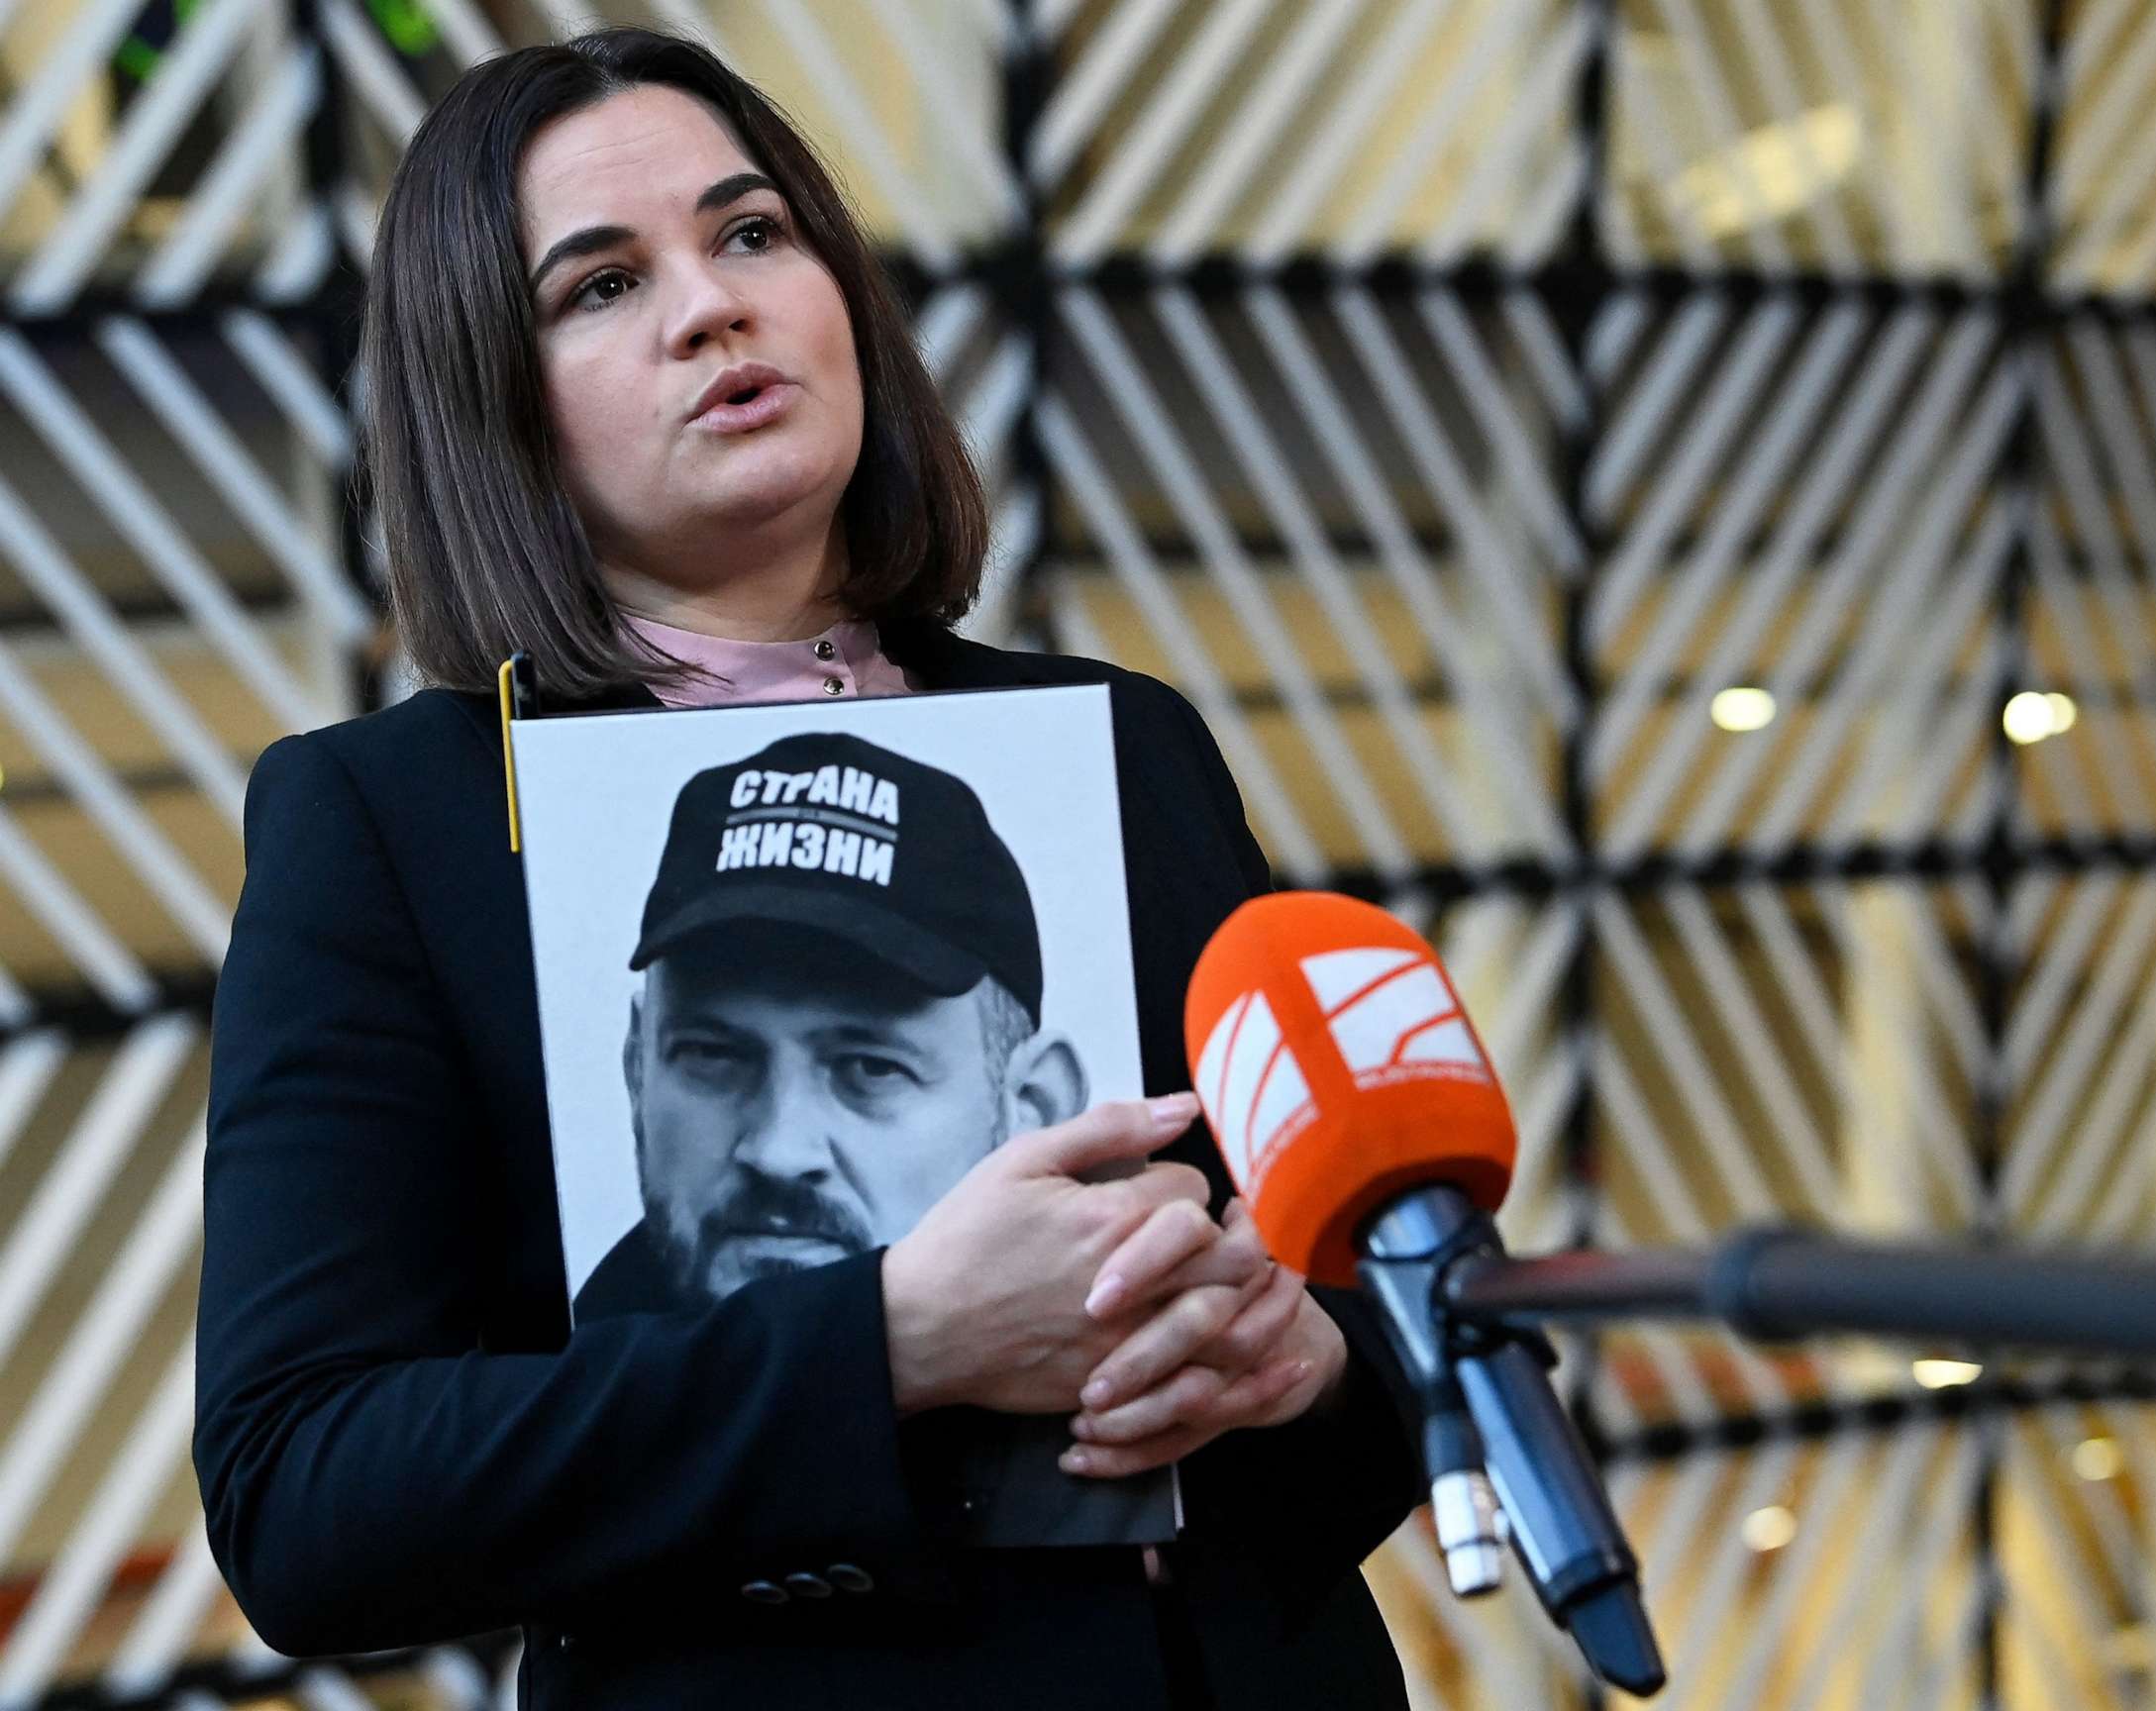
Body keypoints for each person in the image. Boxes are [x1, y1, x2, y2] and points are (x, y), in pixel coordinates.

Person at [192, 25, 1422, 1711]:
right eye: (601, 284)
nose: (712, 305)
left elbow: (1386, 1370)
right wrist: (887, 1343)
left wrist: (1306, 1369)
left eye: (752, 232)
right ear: (493, 393)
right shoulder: (395, 824)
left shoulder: (1119, 742)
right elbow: (305, 1497)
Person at [579, 730, 1087, 1320]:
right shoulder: (516, 1398)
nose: (777, 1152)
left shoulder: (1162, 1389)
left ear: (1033, 1109)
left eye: (871, 1069)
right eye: (712, 1056)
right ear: (637, 1071)